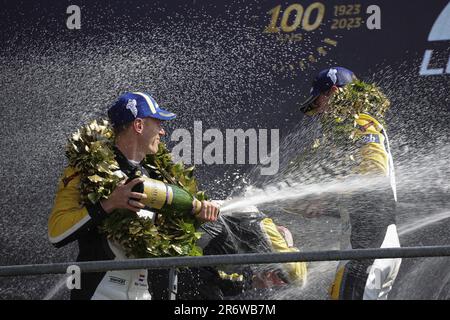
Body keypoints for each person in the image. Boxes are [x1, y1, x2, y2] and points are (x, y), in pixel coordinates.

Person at [48, 92, 219, 300]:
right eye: (158, 123)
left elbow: (169, 239)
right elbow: (56, 233)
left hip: (142, 293)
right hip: (99, 292)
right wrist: (108, 204)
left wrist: (196, 218)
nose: (163, 131)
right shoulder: (85, 170)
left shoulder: (156, 176)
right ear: (138, 126)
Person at [296, 67, 402, 300]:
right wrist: (324, 205)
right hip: (370, 246)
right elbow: (362, 199)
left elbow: (375, 173)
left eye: (318, 103)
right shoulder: (347, 135)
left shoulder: (360, 123)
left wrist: (326, 196)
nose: (319, 113)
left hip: (368, 249)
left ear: (333, 92)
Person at [149, 205, 308, 299]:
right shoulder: (259, 224)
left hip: (185, 271)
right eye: (279, 274)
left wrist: (252, 283)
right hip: (174, 264)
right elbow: (298, 276)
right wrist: (290, 246)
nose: (275, 278)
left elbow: (219, 279)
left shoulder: (247, 256)